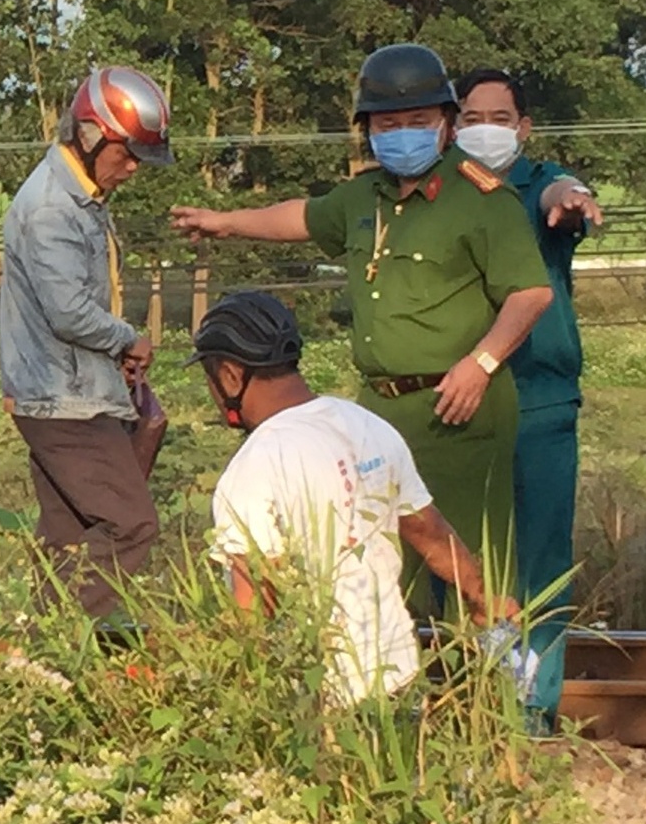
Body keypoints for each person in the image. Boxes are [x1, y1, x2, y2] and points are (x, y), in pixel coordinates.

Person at [171, 44, 553, 612]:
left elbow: (531, 293)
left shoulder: (483, 201)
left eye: (418, 122)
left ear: (446, 124)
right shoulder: (362, 197)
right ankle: (399, 695)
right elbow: (301, 217)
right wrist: (224, 222)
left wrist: (483, 364)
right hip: (377, 414)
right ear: (368, 129)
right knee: (382, 576)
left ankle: (491, 696)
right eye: (388, 123)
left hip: (460, 410)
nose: (403, 134)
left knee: (476, 573)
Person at [193, 291, 515, 703]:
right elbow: (429, 531)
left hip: (320, 698)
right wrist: (480, 594)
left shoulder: (253, 465)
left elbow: (254, 605)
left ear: (231, 375)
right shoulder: (365, 424)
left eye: (210, 379)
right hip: (398, 680)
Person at [454, 68, 603, 722]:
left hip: (537, 399)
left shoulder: (537, 183)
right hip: (459, 403)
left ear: (522, 127)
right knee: (462, 558)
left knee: (539, 559)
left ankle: (531, 708)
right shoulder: (438, 193)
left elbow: (565, 194)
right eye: (469, 117)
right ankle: (475, 697)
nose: (483, 129)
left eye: (497, 117)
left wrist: (574, 198)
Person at [0, 66, 172, 618]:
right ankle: (75, 637)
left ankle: (49, 664)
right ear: (92, 135)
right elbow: (68, 311)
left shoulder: (83, 196)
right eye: (126, 155)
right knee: (131, 525)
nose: (132, 169)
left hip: (72, 392)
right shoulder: (53, 208)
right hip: (64, 401)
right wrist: (128, 339)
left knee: (67, 538)